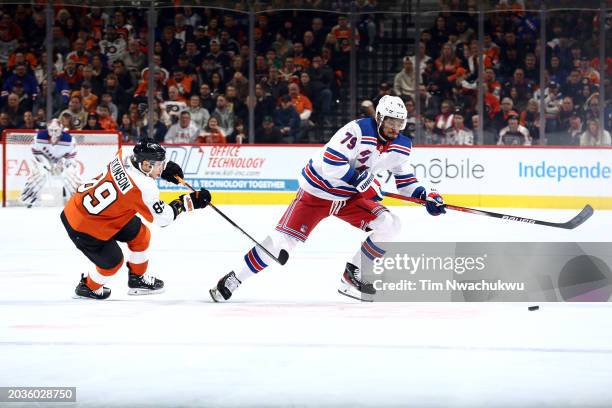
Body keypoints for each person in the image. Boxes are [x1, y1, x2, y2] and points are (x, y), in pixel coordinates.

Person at [209, 95, 446, 302]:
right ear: (380, 118)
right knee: (280, 245)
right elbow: (331, 163)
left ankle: (353, 275)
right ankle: (235, 278)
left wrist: (426, 196)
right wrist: (360, 180)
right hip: (318, 192)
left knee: (390, 224)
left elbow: (405, 182)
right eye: (391, 122)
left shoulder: (402, 146)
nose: (395, 128)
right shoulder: (357, 130)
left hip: (349, 199)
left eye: (399, 123)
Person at [61, 139, 211, 300]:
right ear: (146, 165)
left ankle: (137, 279)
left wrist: (164, 169)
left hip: (86, 207)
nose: (162, 167)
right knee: (113, 263)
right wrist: (190, 201)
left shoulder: (123, 154)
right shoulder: (144, 187)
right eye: (160, 164)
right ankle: (88, 287)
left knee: (140, 234)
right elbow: (164, 218)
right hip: (83, 226)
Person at [20, 119, 81, 207]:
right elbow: (36, 153)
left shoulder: (70, 141)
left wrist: (62, 164)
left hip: (61, 161)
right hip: (44, 160)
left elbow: (70, 158)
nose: (53, 133)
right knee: (40, 174)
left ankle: (79, 199)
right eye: (51, 130)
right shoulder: (39, 137)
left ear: (61, 129)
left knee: (70, 174)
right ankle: (28, 198)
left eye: (56, 130)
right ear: (47, 129)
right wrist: (46, 164)